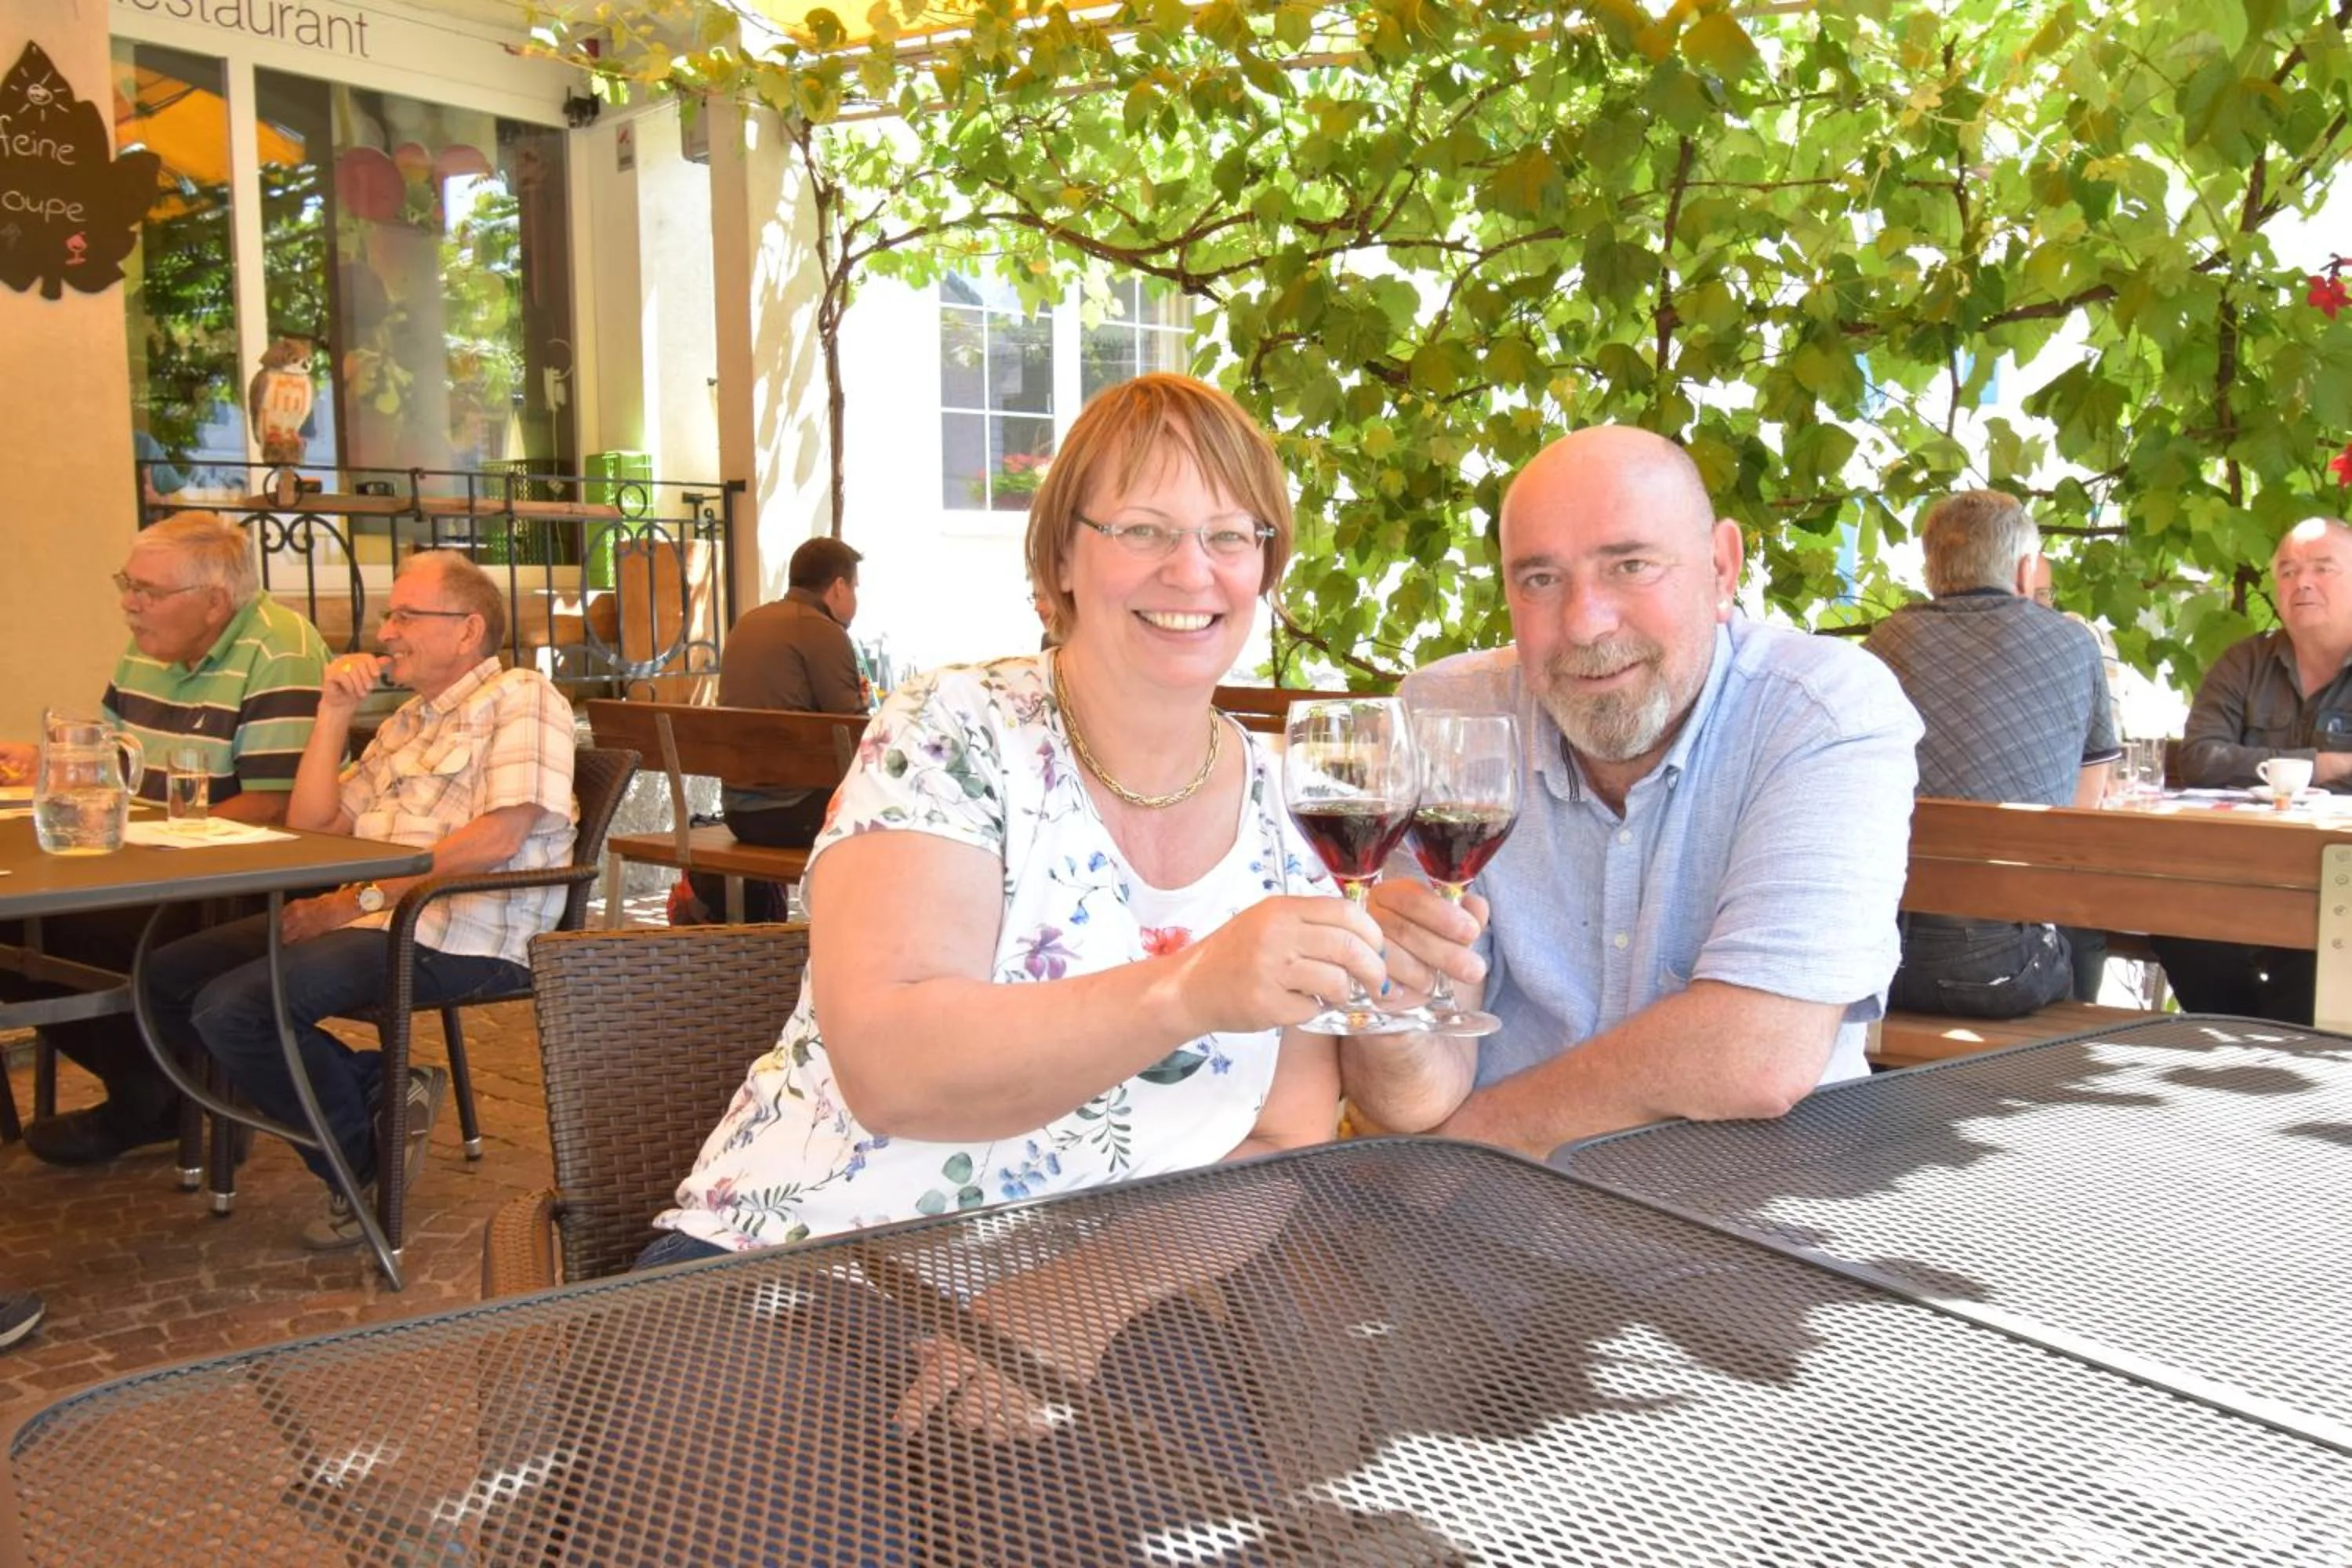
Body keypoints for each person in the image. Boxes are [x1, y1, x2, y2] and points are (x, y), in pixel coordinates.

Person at [644, 373, 1384, 1428]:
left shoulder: (1292, 803)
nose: (1193, 570)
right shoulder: (956, 726)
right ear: (1064, 557)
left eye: (1232, 533)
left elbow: (1286, 1134)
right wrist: (1187, 990)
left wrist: (1088, 1292)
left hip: (1096, 1283)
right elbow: (894, 1069)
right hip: (807, 1268)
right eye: (1144, 527)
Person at [1341, 425, 1922, 1161]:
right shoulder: (1448, 718)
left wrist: (1464, 1149)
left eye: (1631, 565)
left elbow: (1758, 1054)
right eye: (1540, 579)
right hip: (1496, 1226)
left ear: (1722, 568)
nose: (1585, 622)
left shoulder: (1821, 711)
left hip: (1755, 1229)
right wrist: (1393, 1010)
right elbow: (1412, 1098)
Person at [141, 550, 577, 1250]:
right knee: (166, 976)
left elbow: (498, 839)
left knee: (236, 1008)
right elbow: (314, 825)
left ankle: (359, 1166)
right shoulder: (407, 720)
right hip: (376, 915)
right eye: (388, 614)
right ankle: (375, 1090)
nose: (387, 630)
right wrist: (332, 712)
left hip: (464, 931)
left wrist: (356, 900)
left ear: (467, 631)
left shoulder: (522, 697)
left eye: (406, 614)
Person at [0, 513, 327, 1165]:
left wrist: (149, 853)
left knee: (63, 933)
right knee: (14, 937)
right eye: (127, 583)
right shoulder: (146, 650)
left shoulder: (280, 648)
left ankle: (151, 1097)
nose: (129, 603)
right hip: (147, 864)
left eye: (148, 591)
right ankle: (149, 1088)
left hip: (242, 880)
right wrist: (47, 764)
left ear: (214, 602)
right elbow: (115, 765)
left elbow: (274, 805)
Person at [1863, 491, 2117, 1019]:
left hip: (1877, 961)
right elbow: (2083, 813)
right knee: (2087, 923)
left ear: (1933, 570)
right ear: (2027, 572)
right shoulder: (2072, 645)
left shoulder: (1884, 644)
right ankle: (2070, 1052)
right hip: (2008, 974)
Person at [2154, 516, 2352, 1021]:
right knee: (2173, 916)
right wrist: (2325, 764)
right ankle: (2240, 1033)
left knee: (2319, 944)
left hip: (2340, 883)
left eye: (2322, 568)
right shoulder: (2245, 662)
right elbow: (2200, 758)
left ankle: (2281, 1056)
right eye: (2287, 571)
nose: (2301, 582)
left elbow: (2222, 758)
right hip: (2241, 872)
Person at [684, 535, 868, 922]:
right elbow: (854, 733)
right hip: (795, 816)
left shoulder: (746, 624)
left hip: (738, 813)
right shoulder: (824, 632)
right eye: (856, 588)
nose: (856, 599)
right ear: (839, 586)